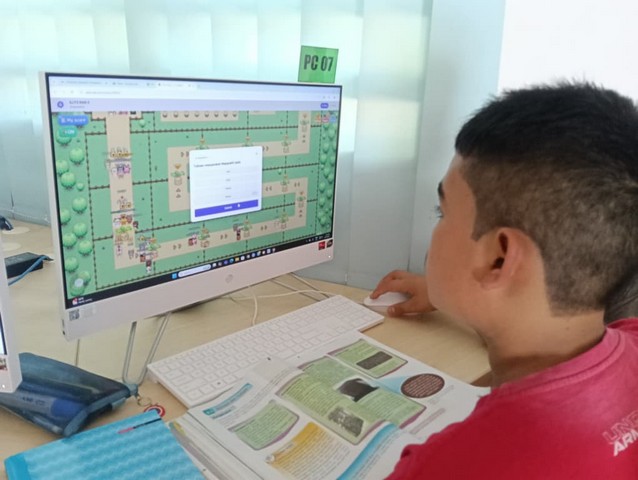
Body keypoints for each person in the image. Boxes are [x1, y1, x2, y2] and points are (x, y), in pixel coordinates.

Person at [370, 82, 638, 479]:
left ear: (498, 258)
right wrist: (454, 292)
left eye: (442, 212)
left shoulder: (448, 467)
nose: (436, 224)